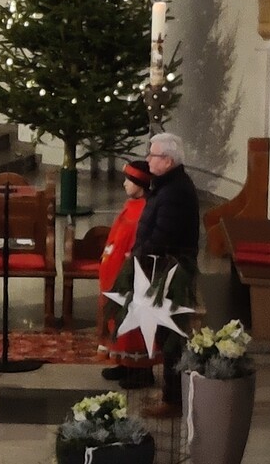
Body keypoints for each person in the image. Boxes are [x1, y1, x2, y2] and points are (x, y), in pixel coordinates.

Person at [131, 132, 200, 417]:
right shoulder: (168, 186)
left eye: (153, 155)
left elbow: (163, 236)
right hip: (164, 269)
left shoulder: (175, 192)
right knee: (164, 333)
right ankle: (170, 394)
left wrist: (139, 255)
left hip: (171, 272)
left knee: (170, 335)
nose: (148, 159)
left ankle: (173, 400)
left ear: (168, 161)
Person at [97, 160, 155, 388]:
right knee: (118, 319)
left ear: (140, 184)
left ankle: (141, 370)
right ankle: (124, 362)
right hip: (115, 273)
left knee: (133, 321)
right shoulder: (131, 205)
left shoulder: (146, 210)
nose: (124, 184)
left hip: (132, 275)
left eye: (128, 180)